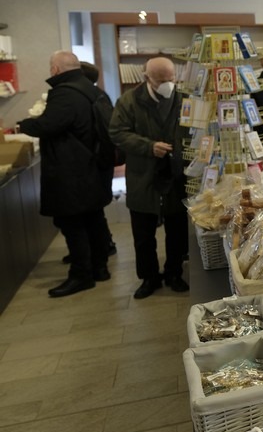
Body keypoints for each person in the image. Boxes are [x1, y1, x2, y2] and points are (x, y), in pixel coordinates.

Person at [18, 51, 113, 297]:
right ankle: (100, 268)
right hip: (95, 167)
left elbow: (48, 125)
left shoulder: (64, 93)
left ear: (56, 69)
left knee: (73, 223)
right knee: (93, 219)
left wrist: (23, 125)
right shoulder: (94, 91)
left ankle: (81, 275)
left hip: (72, 171)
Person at [109, 56, 189, 299]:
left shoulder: (184, 98)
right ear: (147, 78)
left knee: (177, 230)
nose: (168, 85)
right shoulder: (129, 100)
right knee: (143, 234)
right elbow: (117, 132)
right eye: (161, 81)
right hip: (142, 175)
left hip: (177, 176)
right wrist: (148, 146)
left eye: (171, 79)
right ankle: (149, 278)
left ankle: (174, 273)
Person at [60, 61, 117, 265]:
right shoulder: (100, 95)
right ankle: (102, 246)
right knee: (95, 211)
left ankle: (98, 249)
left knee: (91, 212)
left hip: (94, 163)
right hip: (103, 161)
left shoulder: (85, 98)